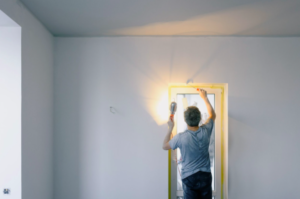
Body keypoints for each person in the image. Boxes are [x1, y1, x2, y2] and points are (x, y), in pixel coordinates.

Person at [162, 89, 216, 199]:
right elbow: (212, 115)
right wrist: (205, 98)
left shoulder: (181, 137)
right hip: (205, 175)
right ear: (200, 118)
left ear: (185, 121)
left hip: (189, 177)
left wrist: (170, 128)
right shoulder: (206, 130)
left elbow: (164, 146)